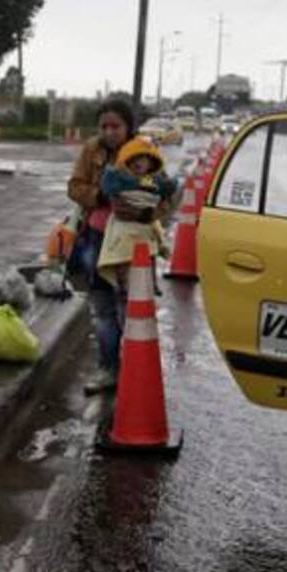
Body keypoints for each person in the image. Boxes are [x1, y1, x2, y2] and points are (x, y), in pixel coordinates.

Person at [68, 99, 167, 394]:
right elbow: (74, 186)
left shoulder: (145, 153)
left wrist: (143, 212)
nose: (110, 132)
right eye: (104, 126)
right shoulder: (92, 150)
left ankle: (135, 371)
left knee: (132, 310)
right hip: (97, 240)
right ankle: (108, 369)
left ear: (129, 127)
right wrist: (102, 197)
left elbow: (164, 196)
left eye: (116, 126)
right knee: (102, 309)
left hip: (135, 248)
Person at [96, 138, 178, 295]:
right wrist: (140, 212)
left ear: (151, 163)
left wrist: (156, 208)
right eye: (132, 160)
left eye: (142, 159)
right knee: (122, 255)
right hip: (125, 226)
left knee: (149, 254)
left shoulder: (152, 180)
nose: (137, 163)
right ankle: (123, 286)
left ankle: (150, 283)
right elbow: (113, 194)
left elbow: (167, 189)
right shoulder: (120, 179)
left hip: (146, 227)